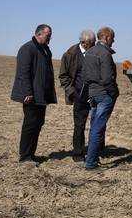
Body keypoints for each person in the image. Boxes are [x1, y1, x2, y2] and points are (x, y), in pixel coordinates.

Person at [10, 24, 56, 165]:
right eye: (48, 35)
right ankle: (25, 157)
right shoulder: (27, 49)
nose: (50, 38)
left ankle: (31, 154)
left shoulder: (45, 49)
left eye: (50, 35)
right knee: (30, 124)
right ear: (39, 34)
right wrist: (28, 92)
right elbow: (23, 73)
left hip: (41, 95)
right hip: (31, 96)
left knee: (38, 123)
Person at [82, 26, 118, 170]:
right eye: (112, 38)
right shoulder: (105, 54)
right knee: (98, 128)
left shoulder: (89, 52)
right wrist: (113, 93)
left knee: (94, 127)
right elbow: (107, 78)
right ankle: (90, 162)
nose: (113, 41)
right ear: (107, 37)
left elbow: (84, 75)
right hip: (104, 94)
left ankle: (92, 157)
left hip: (93, 93)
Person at [58, 29, 96, 161]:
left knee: (97, 123)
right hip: (79, 95)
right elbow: (63, 76)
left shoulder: (95, 53)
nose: (94, 45)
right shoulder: (70, 54)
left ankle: (97, 150)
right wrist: (71, 92)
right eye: (92, 43)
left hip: (94, 93)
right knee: (79, 125)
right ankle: (78, 154)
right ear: (84, 43)